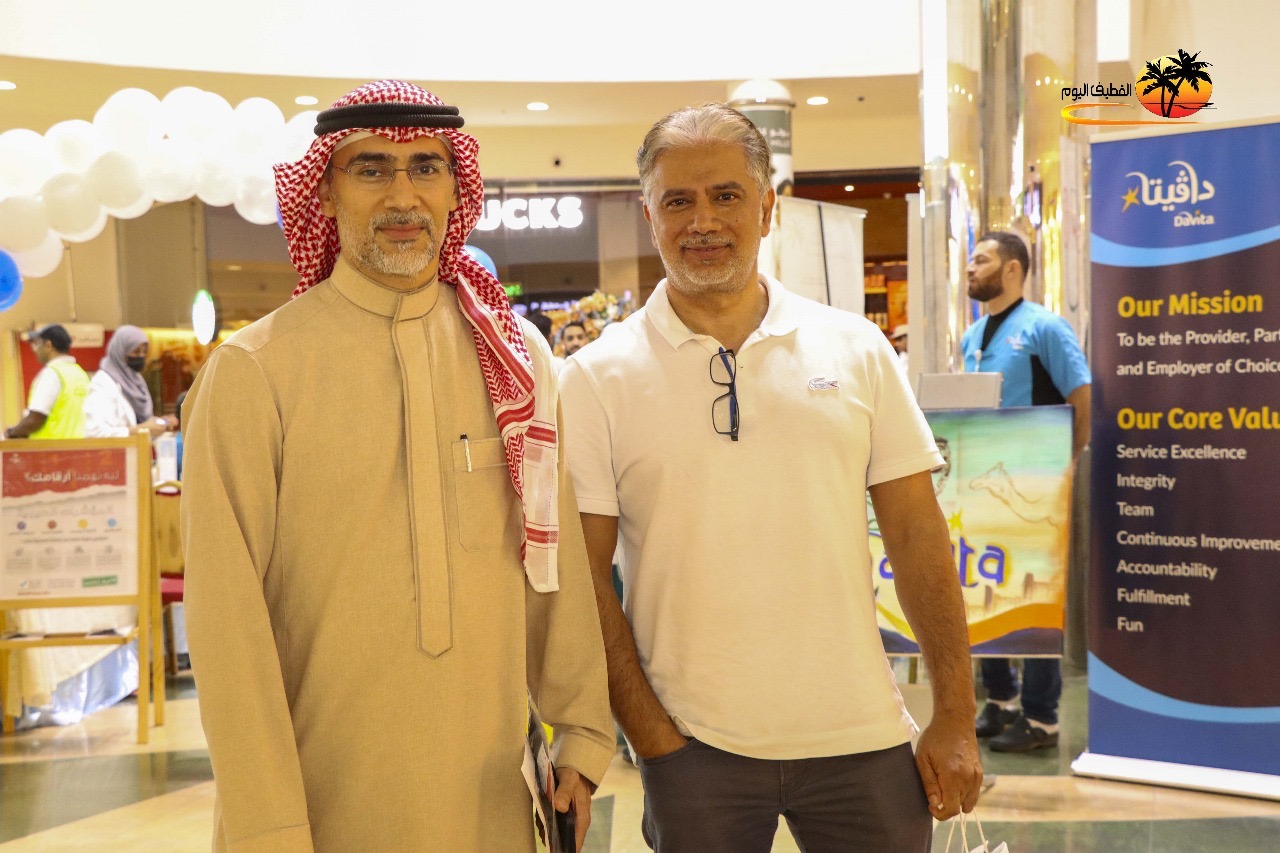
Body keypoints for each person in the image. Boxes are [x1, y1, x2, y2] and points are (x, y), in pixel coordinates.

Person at [180, 80, 612, 852]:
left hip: (492, 800)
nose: (403, 195)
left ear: (457, 189)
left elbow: (554, 564)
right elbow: (226, 627)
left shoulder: (516, 359)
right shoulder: (255, 370)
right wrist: (268, 824)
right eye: (371, 168)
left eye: (426, 167)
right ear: (325, 191)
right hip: (324, 803)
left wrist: (579, 733)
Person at [559, 103, 981, 852]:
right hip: (693, 750)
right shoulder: (596, 377)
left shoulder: (856, 348)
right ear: (649, 216)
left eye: (725, 195)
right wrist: (651, 735)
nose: (702, 221)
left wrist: (954, 711)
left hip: (865, 737)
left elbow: (918, 533)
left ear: (766, 207)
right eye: (677, 201)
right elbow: (585, 575)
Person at [962, 230, 1091, 754]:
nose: (970, 268)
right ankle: (1001, 700)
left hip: (1037, 484)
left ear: (1013, 269)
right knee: (986, 588)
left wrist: (1067, 462)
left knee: (1037, 597)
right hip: (983, 483)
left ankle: (1041, 719)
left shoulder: (1045, 328)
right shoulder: (973, 336)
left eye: (981, 259)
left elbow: (1081, 395)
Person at [83, 325, 174, 438]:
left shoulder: (138, 382)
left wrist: (158, 425)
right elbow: (95, 432)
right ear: (120, 351)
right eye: (135, 351)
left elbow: (140, 422)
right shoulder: (103, 383)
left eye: (144, 352)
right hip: (117, 449)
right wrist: (142, 430)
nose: (141, 356)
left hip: (140, 448)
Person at [2, 324, 89, 440]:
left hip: (50, 448)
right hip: (79, 447)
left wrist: (11, 433)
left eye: (37, 344)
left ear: (48, 345)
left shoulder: (52, 374)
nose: (35, 350)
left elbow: (35, 419)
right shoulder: (81, 374)